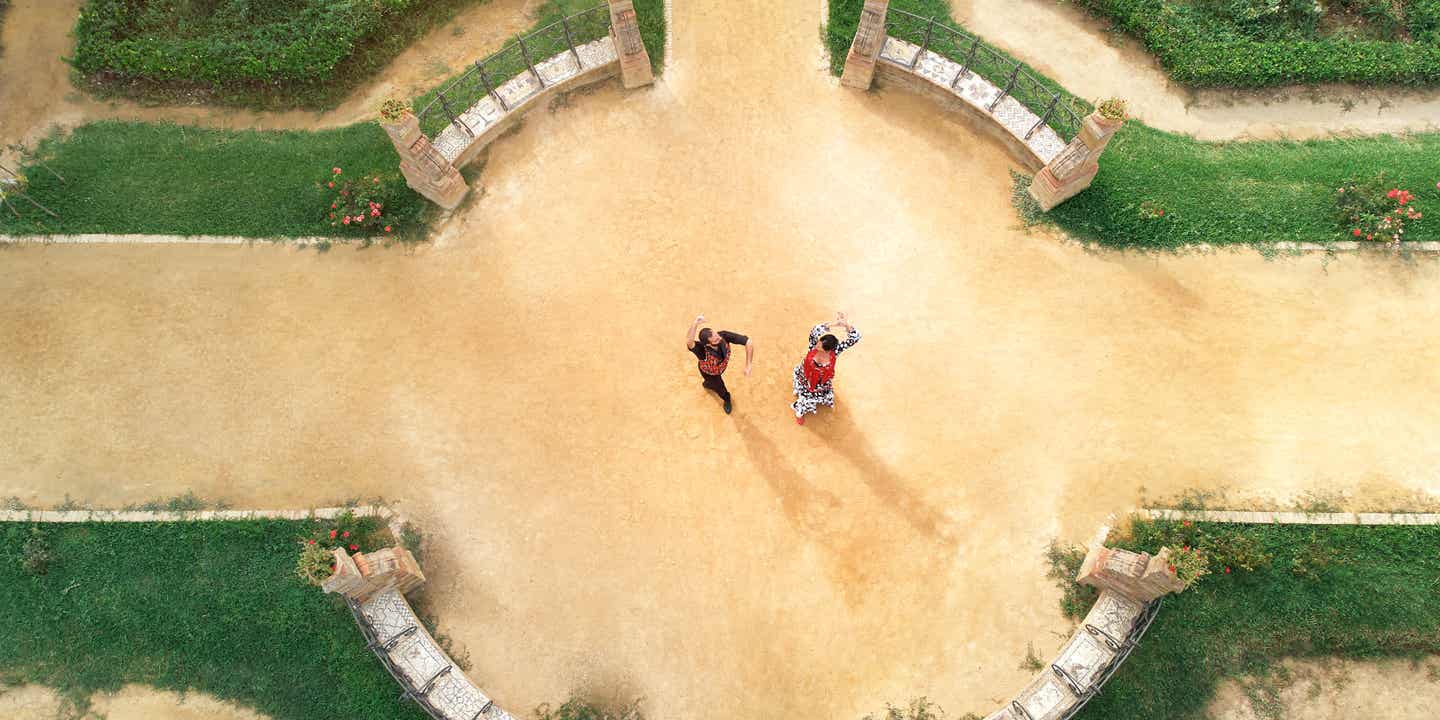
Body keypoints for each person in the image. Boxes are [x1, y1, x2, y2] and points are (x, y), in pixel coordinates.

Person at [791, 312, 860, 425]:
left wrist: (846, 325)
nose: (816, 346)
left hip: (821, 384)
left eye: (820, 346)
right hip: (804, 378)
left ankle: (813, 399)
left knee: (821, 396)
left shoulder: (835, 351)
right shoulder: (813, 345)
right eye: (818, 343)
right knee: (804, 400)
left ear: (828, 350)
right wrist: (835, 324)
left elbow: (855, 337)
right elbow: (815, 330)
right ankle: (799, 412)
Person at [686, 314, 754, 414]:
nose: (719, 338)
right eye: (716, 339)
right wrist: (695, 323)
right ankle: (726, 399)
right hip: (710, 373)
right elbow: (689, 342)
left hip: (720, 368)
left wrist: (748, 365)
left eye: (716, 335)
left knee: (710, 384)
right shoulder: (702, 350)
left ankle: (709, 384)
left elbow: (749, 342)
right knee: (720, 388)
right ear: (708, 344)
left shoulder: (723, 335)